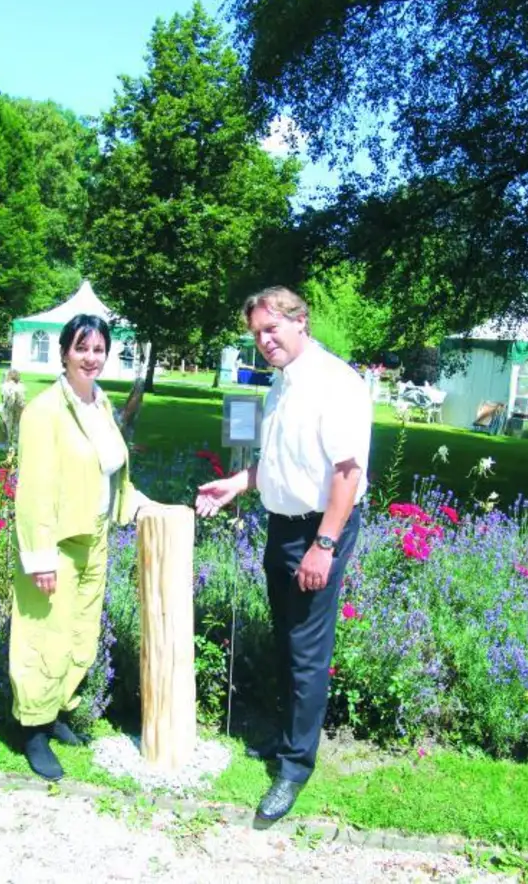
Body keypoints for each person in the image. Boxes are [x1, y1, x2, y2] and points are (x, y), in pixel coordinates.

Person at [195, 286, 372, 825]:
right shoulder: (281, 384)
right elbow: (280, 462)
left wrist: (324, 545)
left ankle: (295, 766)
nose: (264, 340)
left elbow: (347, 473)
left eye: (271, 329)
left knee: (307, 650)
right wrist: (238, 483)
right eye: (256, 334)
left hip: (319, 531)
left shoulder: (335, 383)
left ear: (301, 322)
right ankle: (288, 738)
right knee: (286, 638)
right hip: (283, 526)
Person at [11, 313, 156, 781]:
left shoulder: (99, 404)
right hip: (56, 544)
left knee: (78, 633)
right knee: (42, 636)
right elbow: (33, 491)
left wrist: (142, 507)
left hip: (94, 536)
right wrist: (39, 557)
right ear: (64, 352)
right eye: (82, 348)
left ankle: (53, 715)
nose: (91, 358)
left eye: (98, 349)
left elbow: (110, 470)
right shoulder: (44, 411)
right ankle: (31, 731)